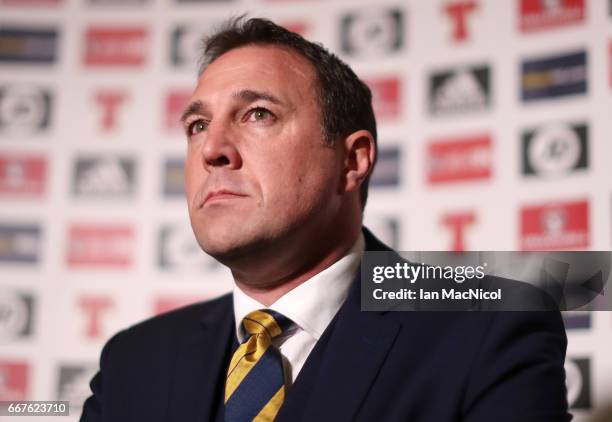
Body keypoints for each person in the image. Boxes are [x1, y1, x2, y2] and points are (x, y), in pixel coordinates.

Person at [80, 17, 570, 422]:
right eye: (198, 125)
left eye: (257, 114)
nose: (211, 149)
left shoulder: (490, 326)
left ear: (353, 161)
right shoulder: (134, 361)